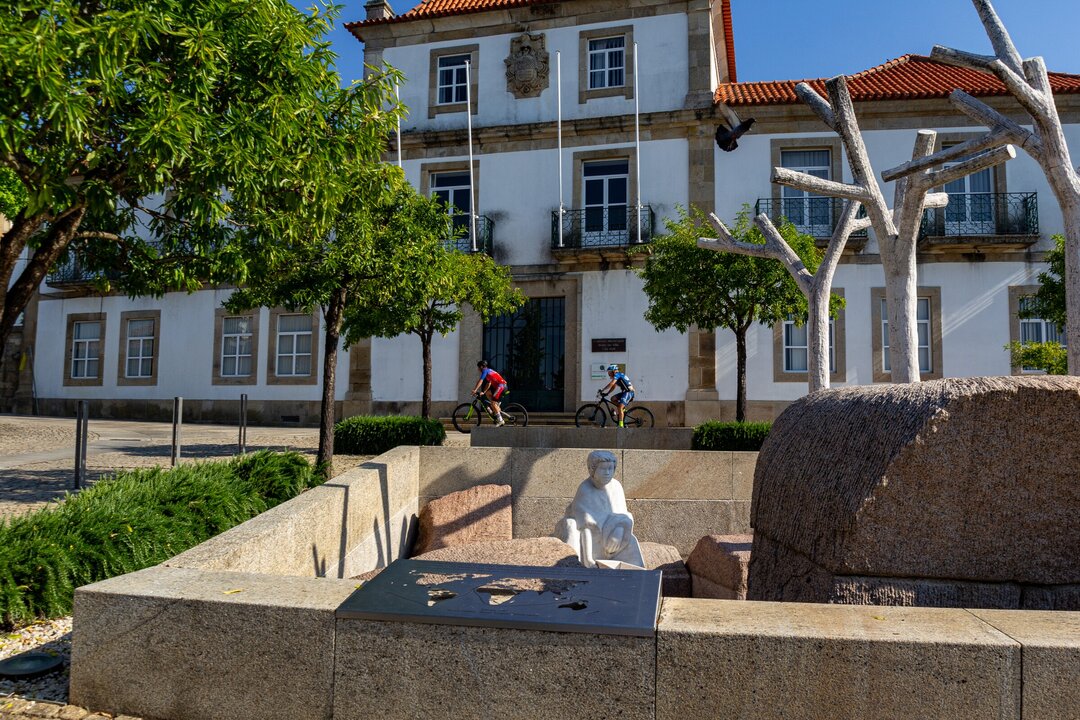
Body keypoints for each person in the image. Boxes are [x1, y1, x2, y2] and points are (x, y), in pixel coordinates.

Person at [554, 450, 644, 569]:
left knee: (631, 543)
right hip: (590, 543)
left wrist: (619, 530)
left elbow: (623, 516)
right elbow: (585, 526)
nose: (607, 473)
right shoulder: (585, 490)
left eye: (610, 468)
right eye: (602, 469)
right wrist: (588, 560)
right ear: (592, 470)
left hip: (614, 540)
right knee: (571, 525)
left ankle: (636, 575)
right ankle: (575, 569)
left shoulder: (616, 487)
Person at [472, 360, 507, 426]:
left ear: (481, 367)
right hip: (499, 387)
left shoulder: (485, 371)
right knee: (488, 393)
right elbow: (488, 383)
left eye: (478, 367)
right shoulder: (489, 371)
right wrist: (483, 392)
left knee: (493, 403)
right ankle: (495, 408)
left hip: (501, 386)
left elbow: (481, 381)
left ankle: (500, 420)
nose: (478, 369)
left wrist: (475, 390)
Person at [599, 363, 635, 427]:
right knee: (613, 399)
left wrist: (603, 390)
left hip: (629, 392)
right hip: (625, 392)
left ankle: (621, 425)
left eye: (610, 372)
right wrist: (607, 393)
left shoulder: (617, 374)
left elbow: (611, 383)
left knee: (620, 407)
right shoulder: (617, 376)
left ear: (614, 371)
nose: (609, 373)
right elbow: (613, 386)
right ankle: (622, 410)